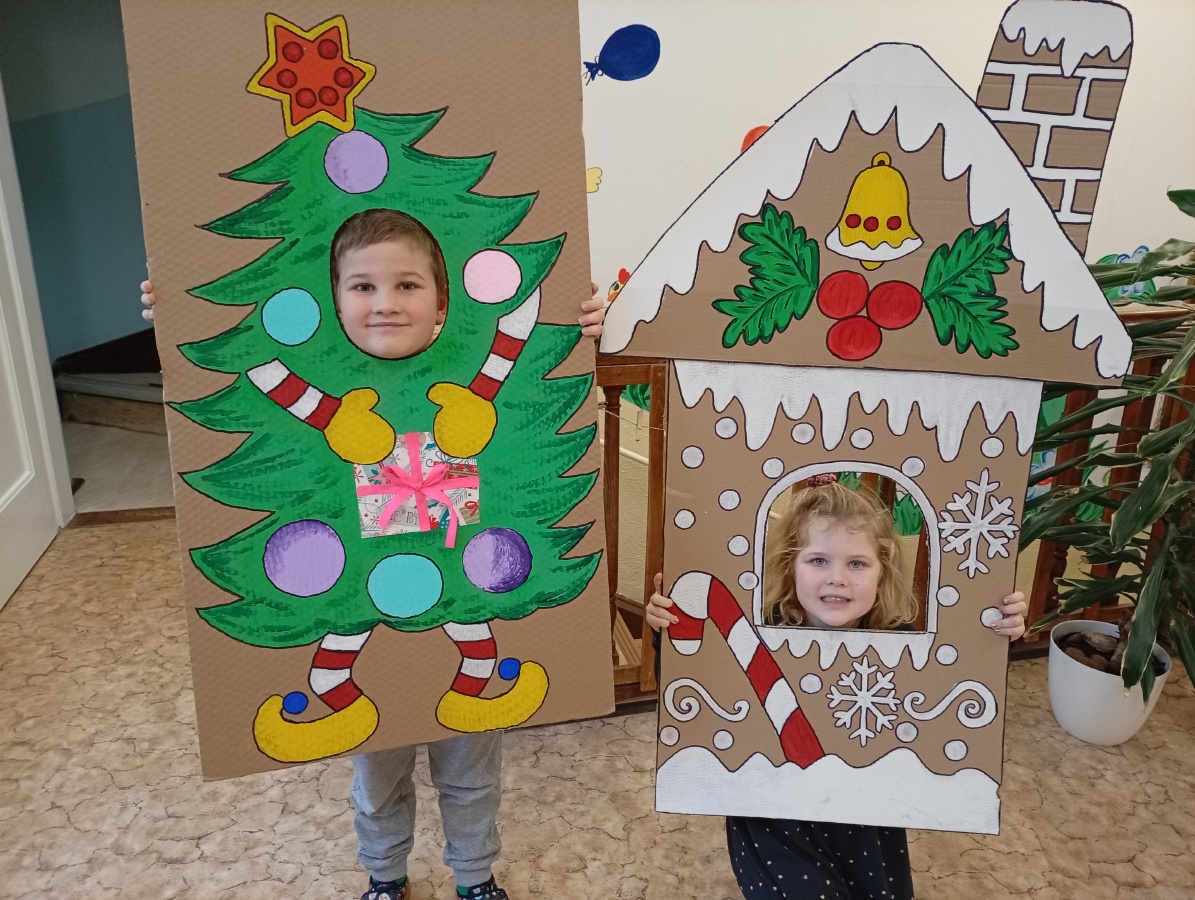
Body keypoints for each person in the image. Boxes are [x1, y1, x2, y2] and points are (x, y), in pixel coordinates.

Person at [143, 209, 601, 900]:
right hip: (363, 590)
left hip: (459, 580)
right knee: (377, 773)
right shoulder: (339, 403)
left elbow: (516, 346)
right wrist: (178, 308)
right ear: (333, 302)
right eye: (362, 287)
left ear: (443, 304)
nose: (385, 302)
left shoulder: (466, 387)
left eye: (407, 285)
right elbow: (263, 375)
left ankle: (475, 877)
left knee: (472, 769)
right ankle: (385, 874)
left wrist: (583, 320)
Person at [579, 301, 1027, 900]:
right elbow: (698, 672)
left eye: (857, 564)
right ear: (790, 569)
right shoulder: (756, 628)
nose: (837, 579)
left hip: (867, 806)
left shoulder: (901, 641)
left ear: (882, 574)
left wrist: (1000, 627)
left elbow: (962, 667)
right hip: (767, 802)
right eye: (818, 561)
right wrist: (665, 627)